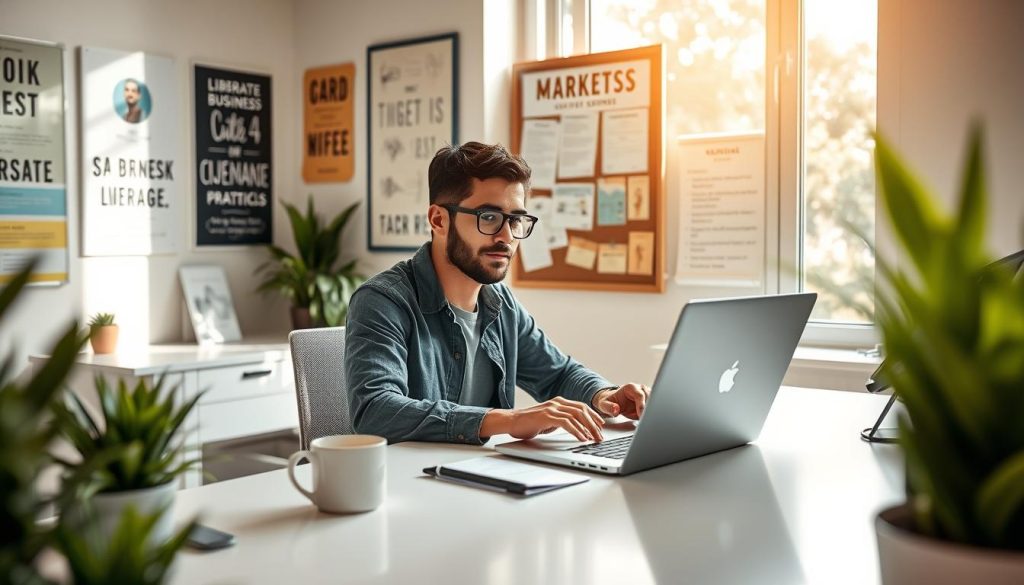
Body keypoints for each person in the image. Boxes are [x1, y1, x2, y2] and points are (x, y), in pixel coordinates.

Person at [345, 141, 650, 444]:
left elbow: (557, 374)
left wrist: (606, 396)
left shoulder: (500, 303)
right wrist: (511, 420)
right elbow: (376, 410)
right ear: (439, 220)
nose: (506, 236)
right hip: (412, 483)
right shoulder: (383, 301)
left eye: (516, 219)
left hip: (481, 476)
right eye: (488, 217)